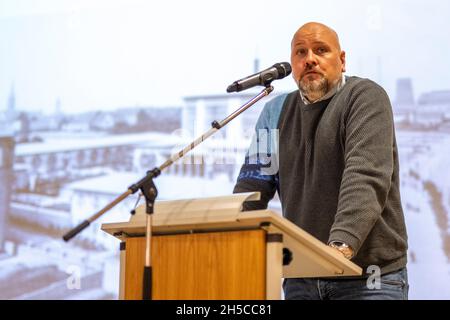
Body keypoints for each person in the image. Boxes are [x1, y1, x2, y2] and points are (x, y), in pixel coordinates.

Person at [233, 22, 408, 300]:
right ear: (292, 63)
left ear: (342, 60)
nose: (309, 58)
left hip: (367, 275)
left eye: (321, 50)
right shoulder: (273, 111)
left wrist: (340, 247)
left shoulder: (365, 97)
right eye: (300, 52)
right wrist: (232, 232)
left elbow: (365, 175)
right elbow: (253, 185)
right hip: (300, 277)